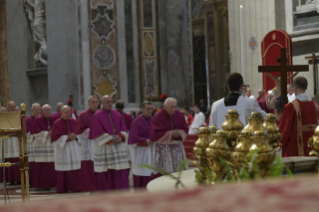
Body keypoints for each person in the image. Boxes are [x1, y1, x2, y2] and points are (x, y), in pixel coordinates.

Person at [88, 95, 130, 191]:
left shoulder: (117, 115)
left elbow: (124, 129)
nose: (110, 103)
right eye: (107, 102)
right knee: (106, 170)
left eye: (111, 102)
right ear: (102, 103)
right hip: (105, 149)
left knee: (118, 170)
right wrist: (110, 139)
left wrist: (121, 138)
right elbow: (96, 132)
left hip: (117, 146)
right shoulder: (97, 116)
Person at [279, 77, 319, 157]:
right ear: (306, 87)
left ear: (295, 88)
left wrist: (277, 143)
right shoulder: (316, 105)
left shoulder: (291, 107)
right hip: (314, 152)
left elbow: (283, 131)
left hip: (296, 153)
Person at [150, 98, 188, 179]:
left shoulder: (179, 114)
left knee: (178, 172)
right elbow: (155, 134)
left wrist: (179, 133)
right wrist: (170, 134)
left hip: (176, 148)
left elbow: (185, 128)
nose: (174, 109)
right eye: (171, 107)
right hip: (164, 149)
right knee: (163, 173)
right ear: (165, 106)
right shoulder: (158, 116)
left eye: (175, 107)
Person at [51, 106, 81, 193]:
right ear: (61, 113)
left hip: (74, 147)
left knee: (75, 167)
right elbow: (55, 137)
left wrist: (76, 136)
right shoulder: (57, 123)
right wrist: (67, 137)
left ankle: (76, 187)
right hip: (63, 148)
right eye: (66, 112)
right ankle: (64, 188)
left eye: (69, 112)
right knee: (64, 168)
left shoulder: (74, 121)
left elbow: (79, 133)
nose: (68, 114)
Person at [75, 96, 99, 192]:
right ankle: (90, 186)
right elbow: (79, 132)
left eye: (96, 102)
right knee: (89, 167)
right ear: (88, 103)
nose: (95, 104)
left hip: (98, 144)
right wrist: (95, 131)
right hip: (88, 144)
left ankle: (99, 185)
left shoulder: (100, 114)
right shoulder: (83, 115)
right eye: (93, 102)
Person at [128, 101, 153, 188]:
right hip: (141, 154)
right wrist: (147, 141)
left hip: (152, 152)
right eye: (147, 109)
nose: (150, 111)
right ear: (142, 109)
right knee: (141, 180)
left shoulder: (154, 120)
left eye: (151, 109)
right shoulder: (136, 122)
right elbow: (133, 141)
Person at [31, 104, 56, 189]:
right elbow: (34, 133)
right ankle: (41, 184)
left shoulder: (54, 119)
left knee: (52, 164)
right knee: (42, 166)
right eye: (47, 110)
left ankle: (53, 184)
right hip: (41, 145)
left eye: (50, 110)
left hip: (51, 144)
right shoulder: (38, 120)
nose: (49, 112)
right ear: (43, 112)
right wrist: (46, 133)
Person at [3, 101, 20, 184]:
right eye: (11, 107)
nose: (13, 109)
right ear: (7, 108)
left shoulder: (19, 116)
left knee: (17, 158)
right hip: (8, 140)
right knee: (9, 158)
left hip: (17, 140)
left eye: (14, 107)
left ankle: (19, 179)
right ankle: (11, 179)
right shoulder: (4, 117)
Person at [25, 103, 41, 185]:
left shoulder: (42, 119)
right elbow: (26, 133)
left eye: (39, 110)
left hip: (41, 144)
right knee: (32, 163)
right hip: (32, 143)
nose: (38, 111)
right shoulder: (27, 120)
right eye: (36, 109)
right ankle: (31, 181)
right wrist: (33, 136)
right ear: (32, 110)